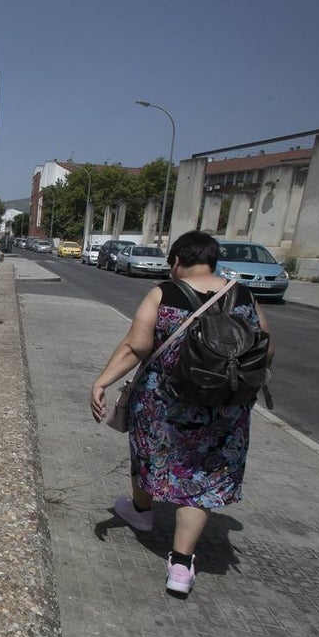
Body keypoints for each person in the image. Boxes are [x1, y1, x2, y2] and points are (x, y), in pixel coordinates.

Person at [89, 231, 274, 597]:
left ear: (176, 262)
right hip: (224, 408)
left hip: (165, 404)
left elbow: (136, 345)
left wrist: (102, 381)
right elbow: (265, 349)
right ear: (214, 261)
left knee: (150, 454)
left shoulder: (164, 293)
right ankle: (181, 565)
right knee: (201, 479)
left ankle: (141, 511)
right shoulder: (243, 295)